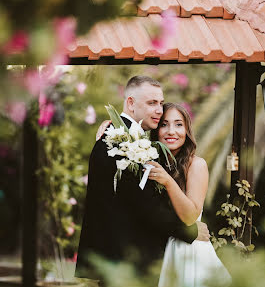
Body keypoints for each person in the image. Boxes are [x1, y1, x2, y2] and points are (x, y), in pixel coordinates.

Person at [75, 76, 210, 286]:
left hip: (132, 263)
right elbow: (146, 206)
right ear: (130, 103)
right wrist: (190, 232)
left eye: (160, 102)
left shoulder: (131, 141)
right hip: (124, 263)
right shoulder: (119, 144)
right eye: (151, 103)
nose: (159, 109)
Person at [147, 102, 231, 287]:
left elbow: (190, 216)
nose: (171, 131)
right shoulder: (149, 162)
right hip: (158, 251)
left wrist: (168, 182)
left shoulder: (196, 165)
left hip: (188, 250)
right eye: (164, 124)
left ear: (187, 131)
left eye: (178, 124)